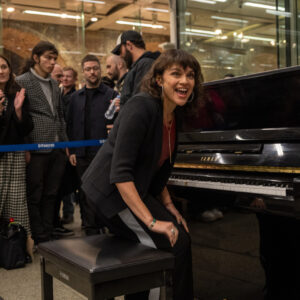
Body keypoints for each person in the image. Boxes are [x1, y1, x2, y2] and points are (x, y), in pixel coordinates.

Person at [82, 49, 204, 300]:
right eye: (176, 74)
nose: (185, 81)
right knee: (175, 243)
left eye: (190, 75)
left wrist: (170, 206)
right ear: (159, 79)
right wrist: (152, 222)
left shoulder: (173, 116)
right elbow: (120, 173)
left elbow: (155, 169)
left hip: (133, 191)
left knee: (174, 231)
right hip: (109, 195)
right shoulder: (141, 106)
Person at [16, 41, 68, 244]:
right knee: (35, 194)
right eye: (48, 57)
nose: (52, 62)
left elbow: (60, 115)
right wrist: (27, 147)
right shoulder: (23, 81)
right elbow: (21, 118)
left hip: (57, 147)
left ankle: (48, 232)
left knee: (52, 194)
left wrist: (65, 145)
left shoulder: (55, 84)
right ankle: (38, 235)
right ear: (36, 58)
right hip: (36, 147)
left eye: (54, 58)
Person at [67, 54, 118, 235]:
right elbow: (70, 125)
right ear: (83, 72)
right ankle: (89, 228)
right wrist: (72, 150)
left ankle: (106, 226)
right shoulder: (75, 98)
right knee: (85, 193)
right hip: (81, 154)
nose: (92, 72)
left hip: (103, 154)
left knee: (104, 191)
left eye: (95, 68)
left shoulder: (112, 95)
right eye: (88, 69)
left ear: (100, 69)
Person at [0, 55, 34, 252]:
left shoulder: (18, 94)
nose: (1, 71)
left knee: (16, 203)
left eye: (4, 67)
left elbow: (26, 128)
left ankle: (20, 246)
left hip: (15, 157)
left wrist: (19, 111)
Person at [111, 30, 160, 106]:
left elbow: (140, 102)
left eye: (120, 51)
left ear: (129, 45)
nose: (120, 56)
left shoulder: (145, 64)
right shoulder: (139, 66)